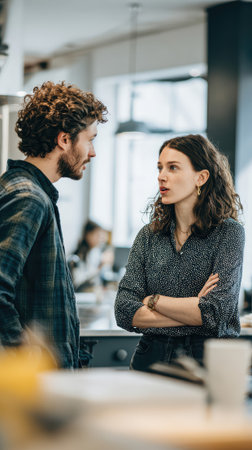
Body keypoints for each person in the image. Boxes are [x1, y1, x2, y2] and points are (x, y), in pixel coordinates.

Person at [114, 134, 245, 372]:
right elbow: (123, 310)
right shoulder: (149, 235)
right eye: (160, 167)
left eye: (173, 168)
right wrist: (195, 308)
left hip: (206, 361)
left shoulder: (228, 233)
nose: (161, 176)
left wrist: (153, 300)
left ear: (201, 177)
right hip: (149, 358)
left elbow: (217, 314)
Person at [0, 81, 107, 369]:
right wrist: (26, 359)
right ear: (64, 140)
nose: (93, 152)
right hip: (34, 381)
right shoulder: (29, 197)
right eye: (90, 139)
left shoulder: (27, 191)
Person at [69, 219, 114, 292]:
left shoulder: (95, 252)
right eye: (98, 235)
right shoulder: (77, 255)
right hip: (81, 294)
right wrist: (100, 265)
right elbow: (78, 282)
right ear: (88, 235)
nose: (100, 239)